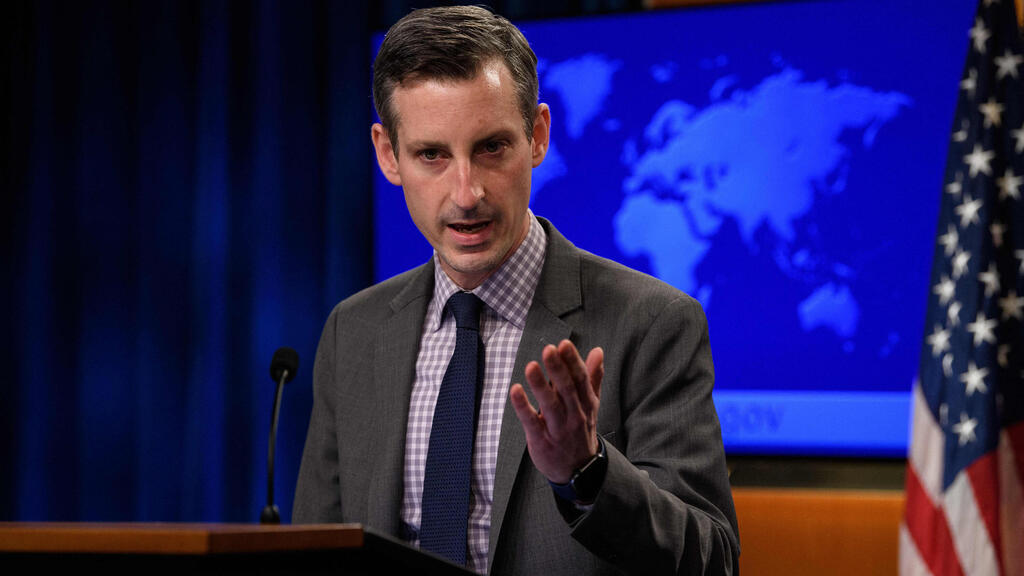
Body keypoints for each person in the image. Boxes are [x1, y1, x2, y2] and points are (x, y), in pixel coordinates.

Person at [293, 6, 738, 575]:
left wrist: (588, 474)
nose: (467, 191)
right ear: (388, 154)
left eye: (491, 148)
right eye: (432, 154)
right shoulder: (352, 331)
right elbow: (317, 548)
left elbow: (714, 561)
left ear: (537, 136)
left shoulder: (652, 324)